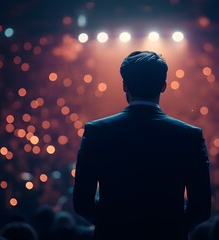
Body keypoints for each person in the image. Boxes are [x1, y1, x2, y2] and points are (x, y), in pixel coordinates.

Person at [73, 51, 211, 240]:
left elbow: (82, 203)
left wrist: (113, 223)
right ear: (163, 86)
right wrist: (170, 227)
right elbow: (201, 208)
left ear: (124, 86)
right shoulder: (189, 136)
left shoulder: (96, 132)